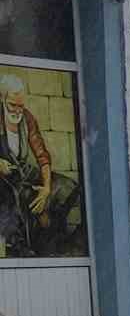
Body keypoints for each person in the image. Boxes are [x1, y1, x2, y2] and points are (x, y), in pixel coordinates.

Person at [0, 73, 80, 256]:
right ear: (2, 99)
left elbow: (42, 155)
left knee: (67, 187)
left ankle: (51, 237)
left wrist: (46, 188)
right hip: (3, 179)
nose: (17, 111)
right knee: (15, 200)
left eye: (21, 106)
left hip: (22, 171)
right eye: (13, 105)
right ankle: (23, 246)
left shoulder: (27, 119)